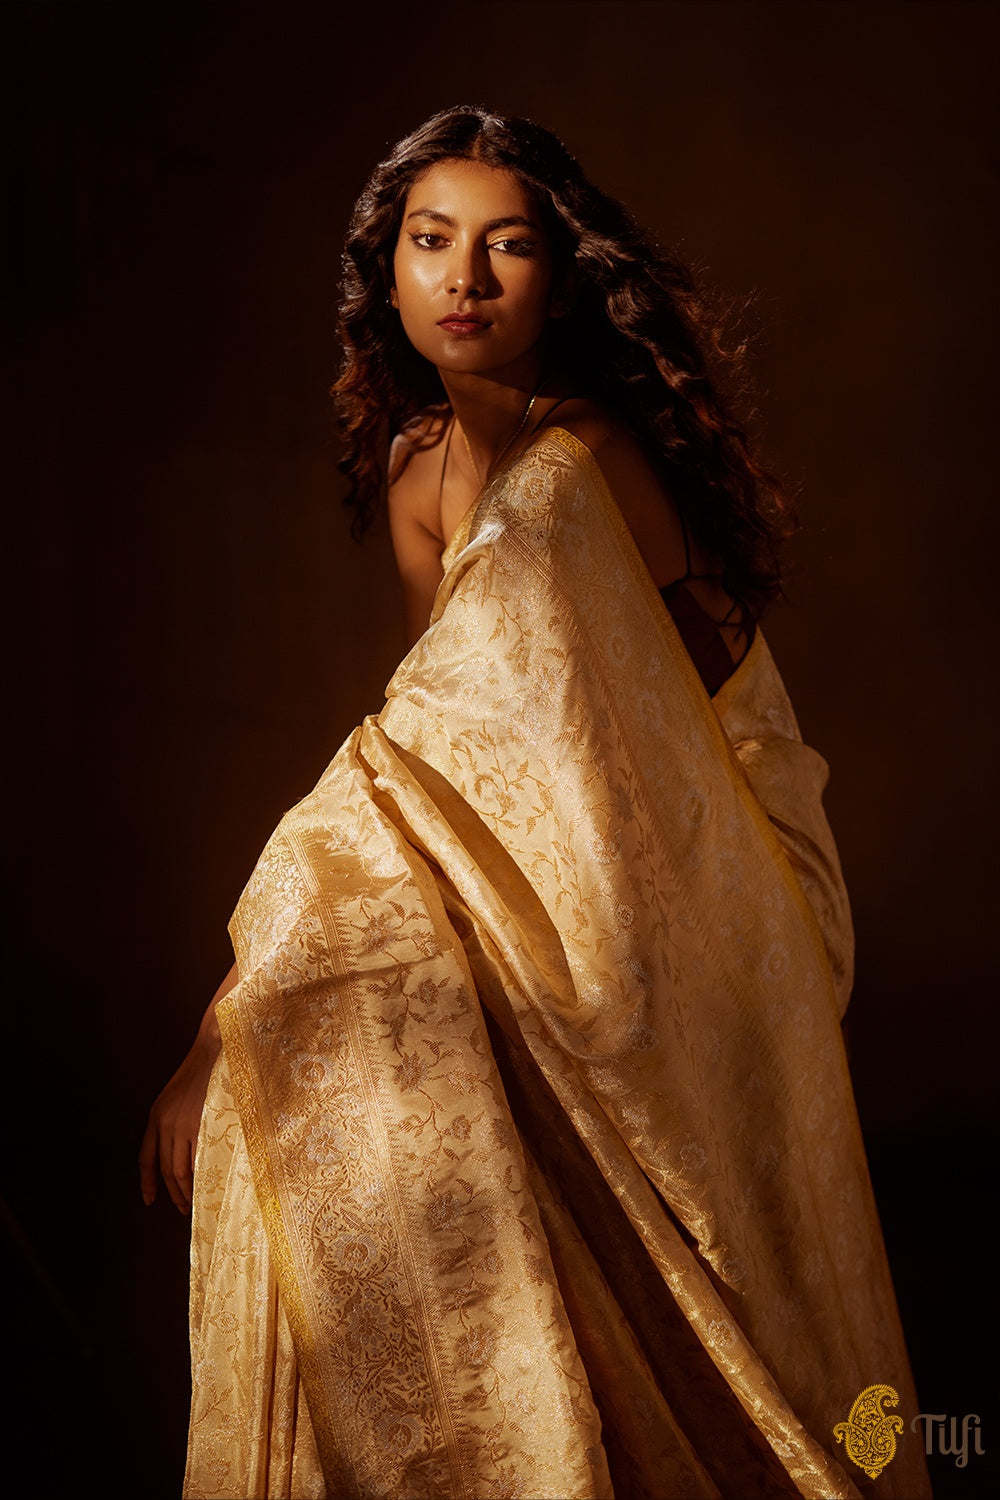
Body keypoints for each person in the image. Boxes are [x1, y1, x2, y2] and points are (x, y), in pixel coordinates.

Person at [141, 106, 930, 1500]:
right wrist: (245, 1014)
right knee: (371, 1027)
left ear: (558, 281)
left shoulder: (581, 464)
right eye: (430, 241)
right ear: (386, 273)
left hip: (709, 852)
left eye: (507, 246)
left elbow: (560, 744)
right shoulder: (417, 472)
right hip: (564, 850)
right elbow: (438, 769)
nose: (466, 277)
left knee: (381, 1003)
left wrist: (222, 1013)